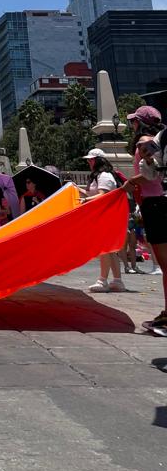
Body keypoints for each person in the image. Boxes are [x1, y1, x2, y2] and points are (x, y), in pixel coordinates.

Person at [125, 134, 167, 329]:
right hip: (157, 203)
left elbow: (151, 174)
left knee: (165, 263)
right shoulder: (158, 142)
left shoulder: (147, 144)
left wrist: (131, 181)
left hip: (156, 205)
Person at [79, 149, 124, 293]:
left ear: (99, 160)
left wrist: (85, 199)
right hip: (105, 215)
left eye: (91, 159)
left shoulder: (104, 175)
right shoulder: (101, 176)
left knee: (104, 248)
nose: (88, 162)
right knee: (110, 250)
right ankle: (117, 281)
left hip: (105, 215)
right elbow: (96, 194)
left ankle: (103, 281)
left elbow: (102, 195)